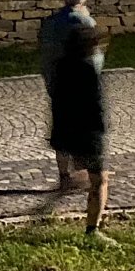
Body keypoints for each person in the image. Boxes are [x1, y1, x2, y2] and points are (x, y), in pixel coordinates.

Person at [47, 21, 113, 242]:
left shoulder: (60, 66)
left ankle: (69, 187)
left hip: (67, 131)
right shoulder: (88, 71)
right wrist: (101, 133)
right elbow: (96, 107)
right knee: (100, 180)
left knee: (86, 176)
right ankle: (93, 230)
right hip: (88, 134)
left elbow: (57, 103)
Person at [38, 0, 100, 191]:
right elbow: (93, 56)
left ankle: (64, 174)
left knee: (62, 130)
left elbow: (45, 54)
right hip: (80, 84)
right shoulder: (85, 22)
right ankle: (83, 172)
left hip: (57, 82)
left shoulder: (51, 23)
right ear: (84, 0)